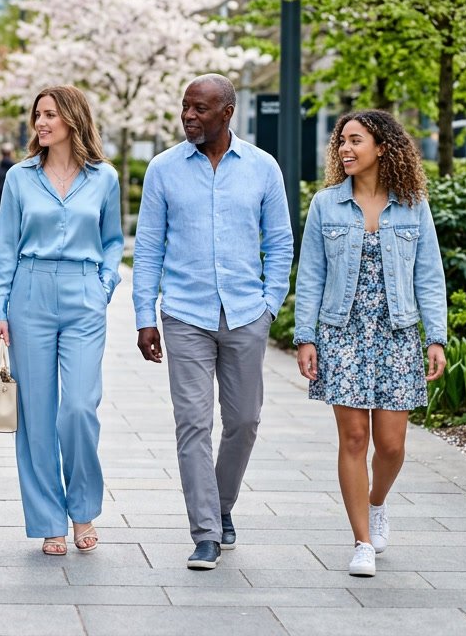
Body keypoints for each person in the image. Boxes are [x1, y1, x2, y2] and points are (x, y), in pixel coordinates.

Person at [133, 74, 292, 571]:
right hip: (184, 313)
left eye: (200, 109)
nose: (189, 116)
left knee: (244, 421)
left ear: (227, 112)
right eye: (185, 107)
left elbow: (281, 241)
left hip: (246, 313)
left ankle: (221, 506)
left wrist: (270, 305)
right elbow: (147, 247)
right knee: (193, 424)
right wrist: (145, 316)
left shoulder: (263, 168)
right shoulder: (163, 169)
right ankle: (204, 531)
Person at [294, 110, 447, 578]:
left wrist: (436, 336)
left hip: (397, 333)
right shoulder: (326, 204)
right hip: (342, 332)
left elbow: (429, 273)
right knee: (355, 437)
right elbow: (312, 274)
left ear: (382, 147)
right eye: (341, 141)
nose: (344, 148)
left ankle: (377, 502)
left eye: (355, 140)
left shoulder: (412, 203)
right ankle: (361, 540)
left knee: (392, 445)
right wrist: (306, 336)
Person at [0, 86, 124, 556]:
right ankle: (49, 519)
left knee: (80, 408)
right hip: (30, 293)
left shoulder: (104, 178)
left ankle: (83, 507)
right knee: (37, 417)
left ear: (72, 119)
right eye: (37, 115)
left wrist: (105, 284)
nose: (40, 123)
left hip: (85, 295)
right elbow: (5, 245)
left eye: (50, 115)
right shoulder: (19, 178)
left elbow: (112, 239)